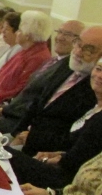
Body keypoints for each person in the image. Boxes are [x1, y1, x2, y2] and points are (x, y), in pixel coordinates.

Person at [9, 58, 102, 191]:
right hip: (59, 166)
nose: (99, 76)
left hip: (67, 181)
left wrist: (52, 158)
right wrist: (57, 154)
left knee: (6, 155)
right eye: (98, 69)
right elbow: (74, 143)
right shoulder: (94, 109)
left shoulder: (99, 118)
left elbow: (78, 159)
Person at [10, 26, 102, 156]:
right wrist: (17, 133)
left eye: (89, 50)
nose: (78, 52)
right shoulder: (67, 66)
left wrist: (32, 138)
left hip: (45, 152)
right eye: (78, 43)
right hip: (22, 136)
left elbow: (73, 139)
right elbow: (38, 102)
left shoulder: (96, 88)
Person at [0, 19, 84, 133]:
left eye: (68, 34)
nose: (60, 37)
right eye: (59, 32)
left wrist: (5, 110)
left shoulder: (69, 69)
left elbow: (35, 102)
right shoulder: (52, 61)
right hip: (9, 113)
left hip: (18, 124)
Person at [0, 10, 51, 104]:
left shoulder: (38, 58)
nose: (16, 33)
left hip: (3, 103)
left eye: (19, 30)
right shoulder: (26, 50)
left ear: (28, 36)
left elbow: (21, 90)